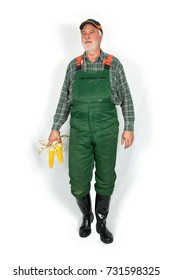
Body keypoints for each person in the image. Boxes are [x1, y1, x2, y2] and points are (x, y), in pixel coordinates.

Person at [48, 19, 135, 244]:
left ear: (100, 36)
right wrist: (55, 128)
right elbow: (63, 101)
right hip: (79, 132)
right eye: (83, 33)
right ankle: (86, 217)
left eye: (91, 32)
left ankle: (101, 221)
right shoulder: (73, 65)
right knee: (77, 181)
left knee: (106, 178)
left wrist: (129, 127)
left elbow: (126, 98)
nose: (87, 36)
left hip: (106, 129)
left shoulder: (113, 64)